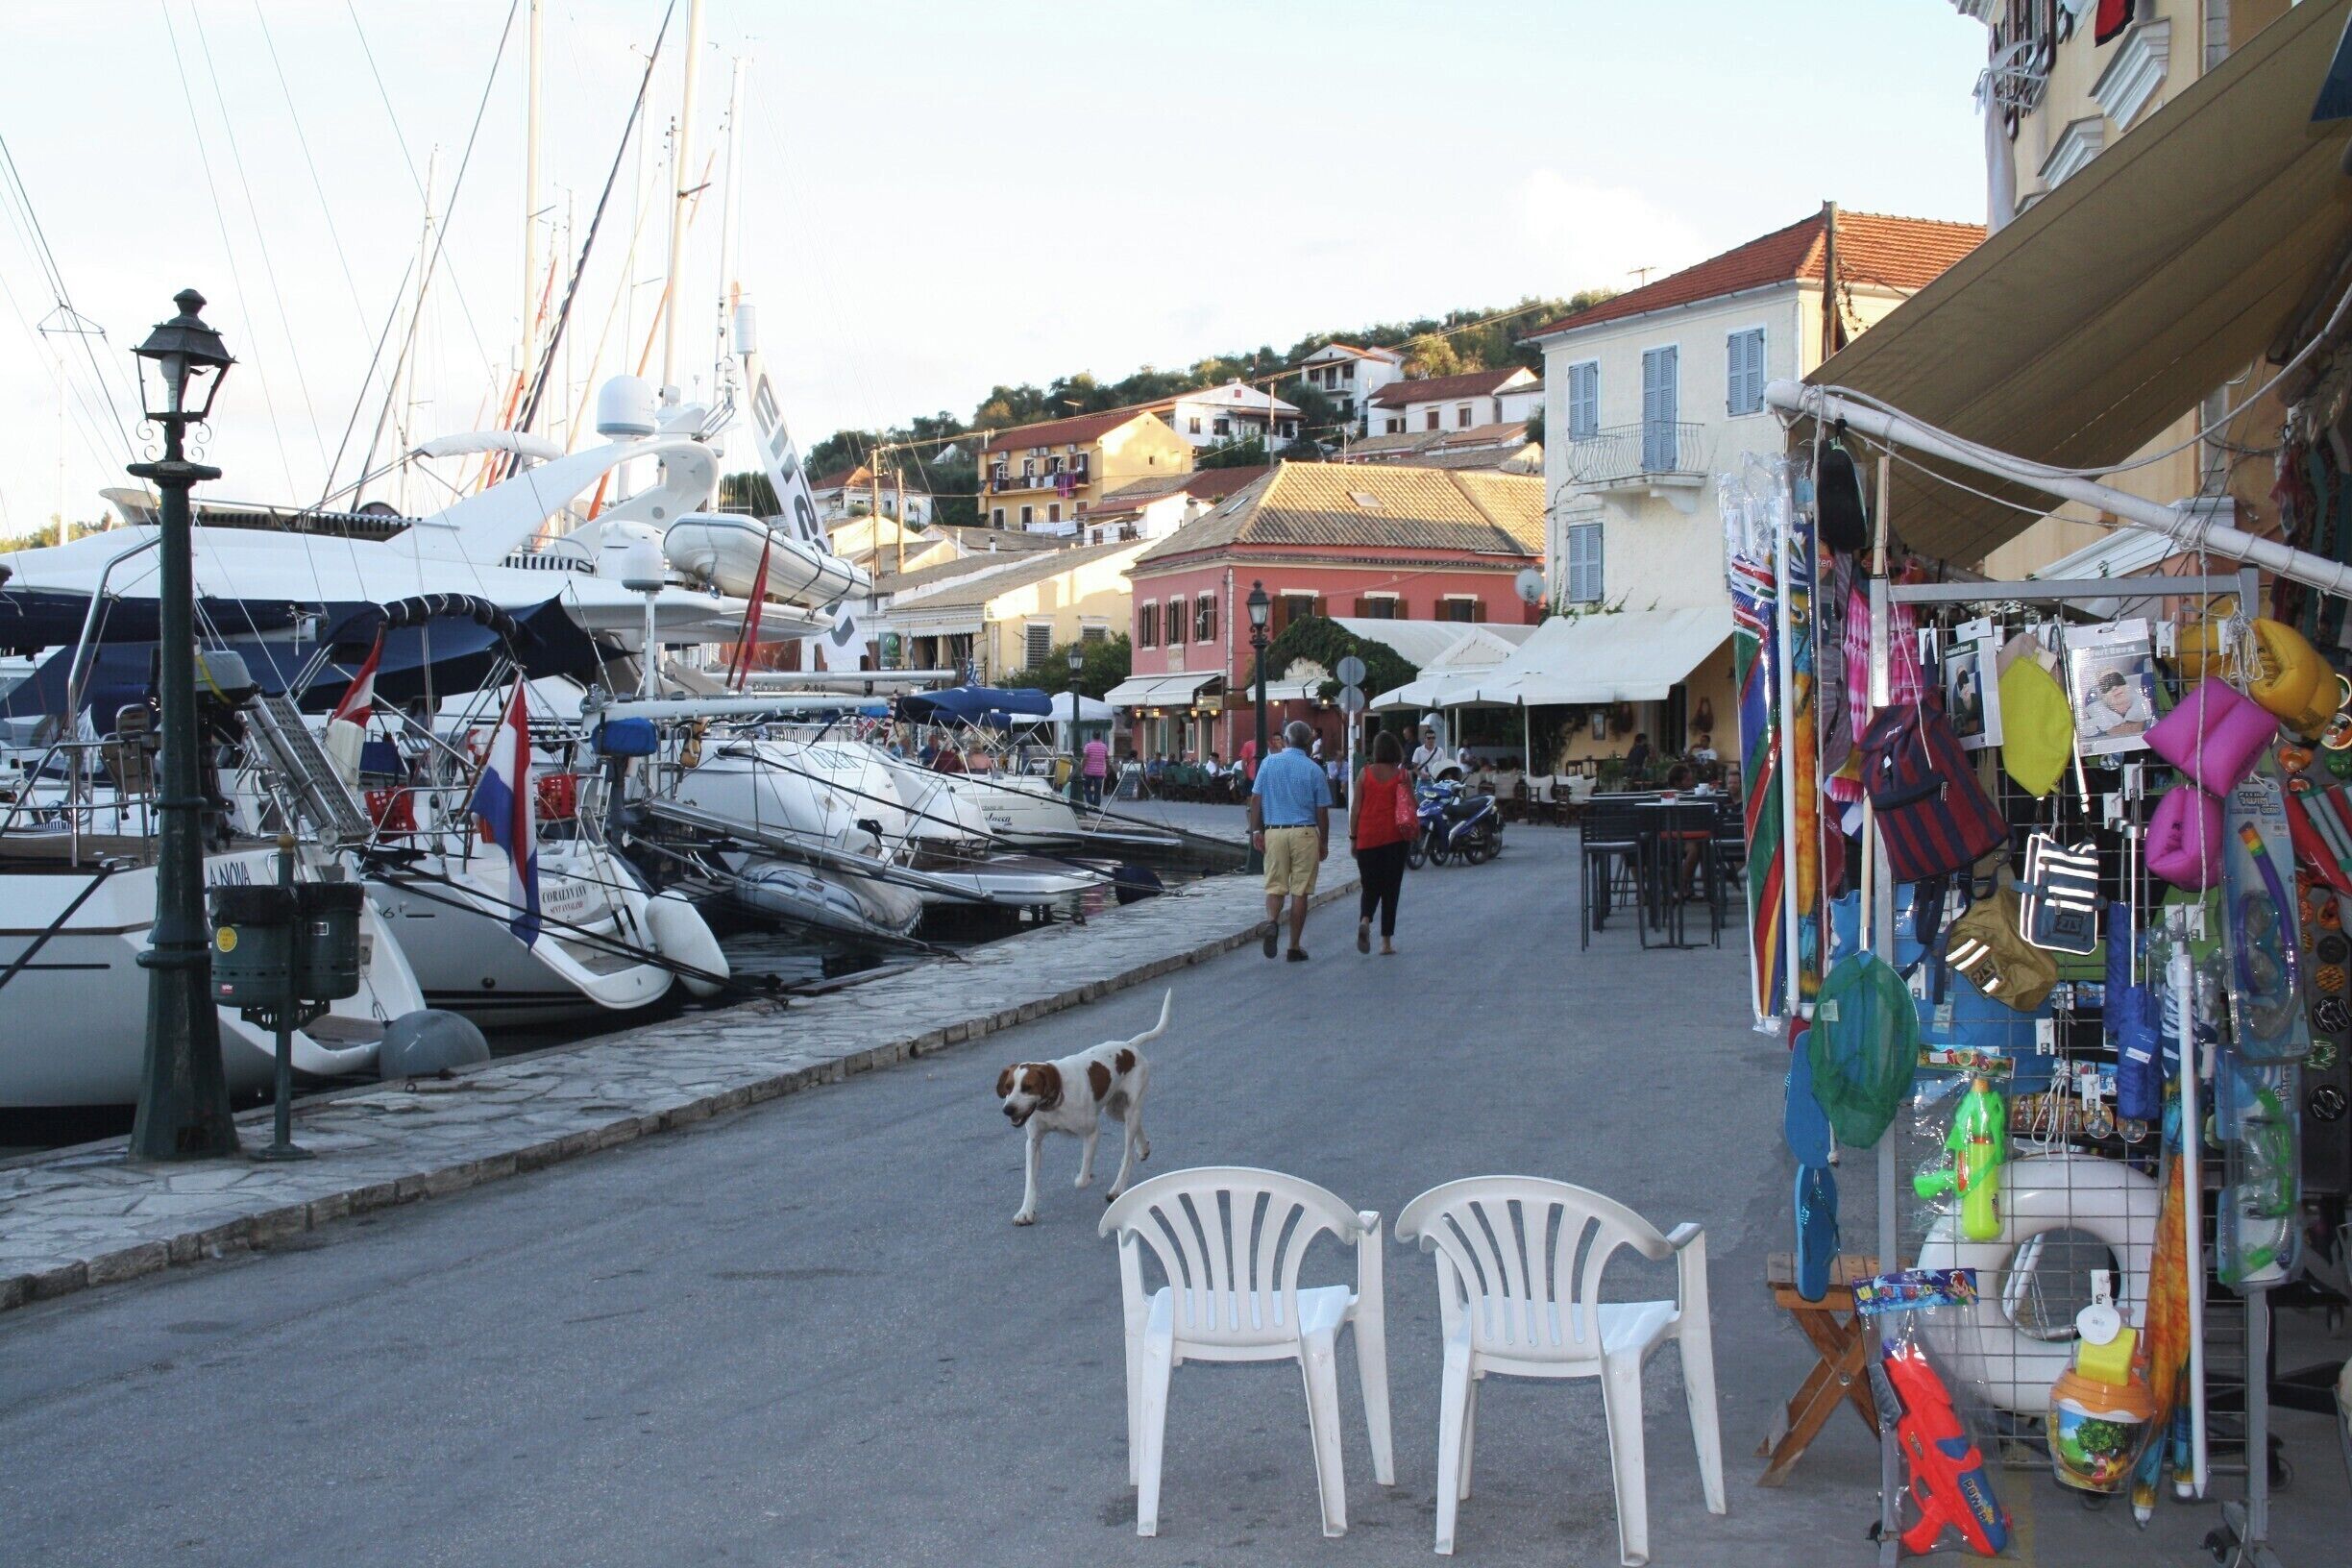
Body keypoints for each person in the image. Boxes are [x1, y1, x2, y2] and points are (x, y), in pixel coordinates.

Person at [1250, 720, 1333, 962]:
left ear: (1285, 740)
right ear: (1308, 743)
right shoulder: (1314, 770)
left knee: (1275, 885)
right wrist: (1324, 841)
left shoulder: (1268, 763)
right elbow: (1322, 812)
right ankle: (1294, 946)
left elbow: (1256, 800)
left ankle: (1273, 921)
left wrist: (1256, 831)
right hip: (1304, 833)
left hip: (1274, 831)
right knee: (1300, 891)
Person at [1349, 729, 1412, 956]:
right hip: (1395, 839)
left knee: (1370, 886)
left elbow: (1356, 809)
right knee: (1390, 889)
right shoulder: (1403, 776)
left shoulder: (1364, 774)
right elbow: (1411, 806)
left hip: (1367, 838)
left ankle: (1365, 920)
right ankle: (1386, 942)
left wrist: (1353, 838)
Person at [1079, 731, 1109, 809]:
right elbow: (1107, 759)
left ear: (1092, 736)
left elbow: (1085, 759)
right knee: (1098, 790)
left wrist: (1081, 769)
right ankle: (1096, 806)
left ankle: (1090, 803)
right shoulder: (1104, 746)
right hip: (1100, 772)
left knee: (1086, 787)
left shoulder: (1088, 746)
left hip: (1088, 771)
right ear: (1100, 736)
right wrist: (1107, 770)